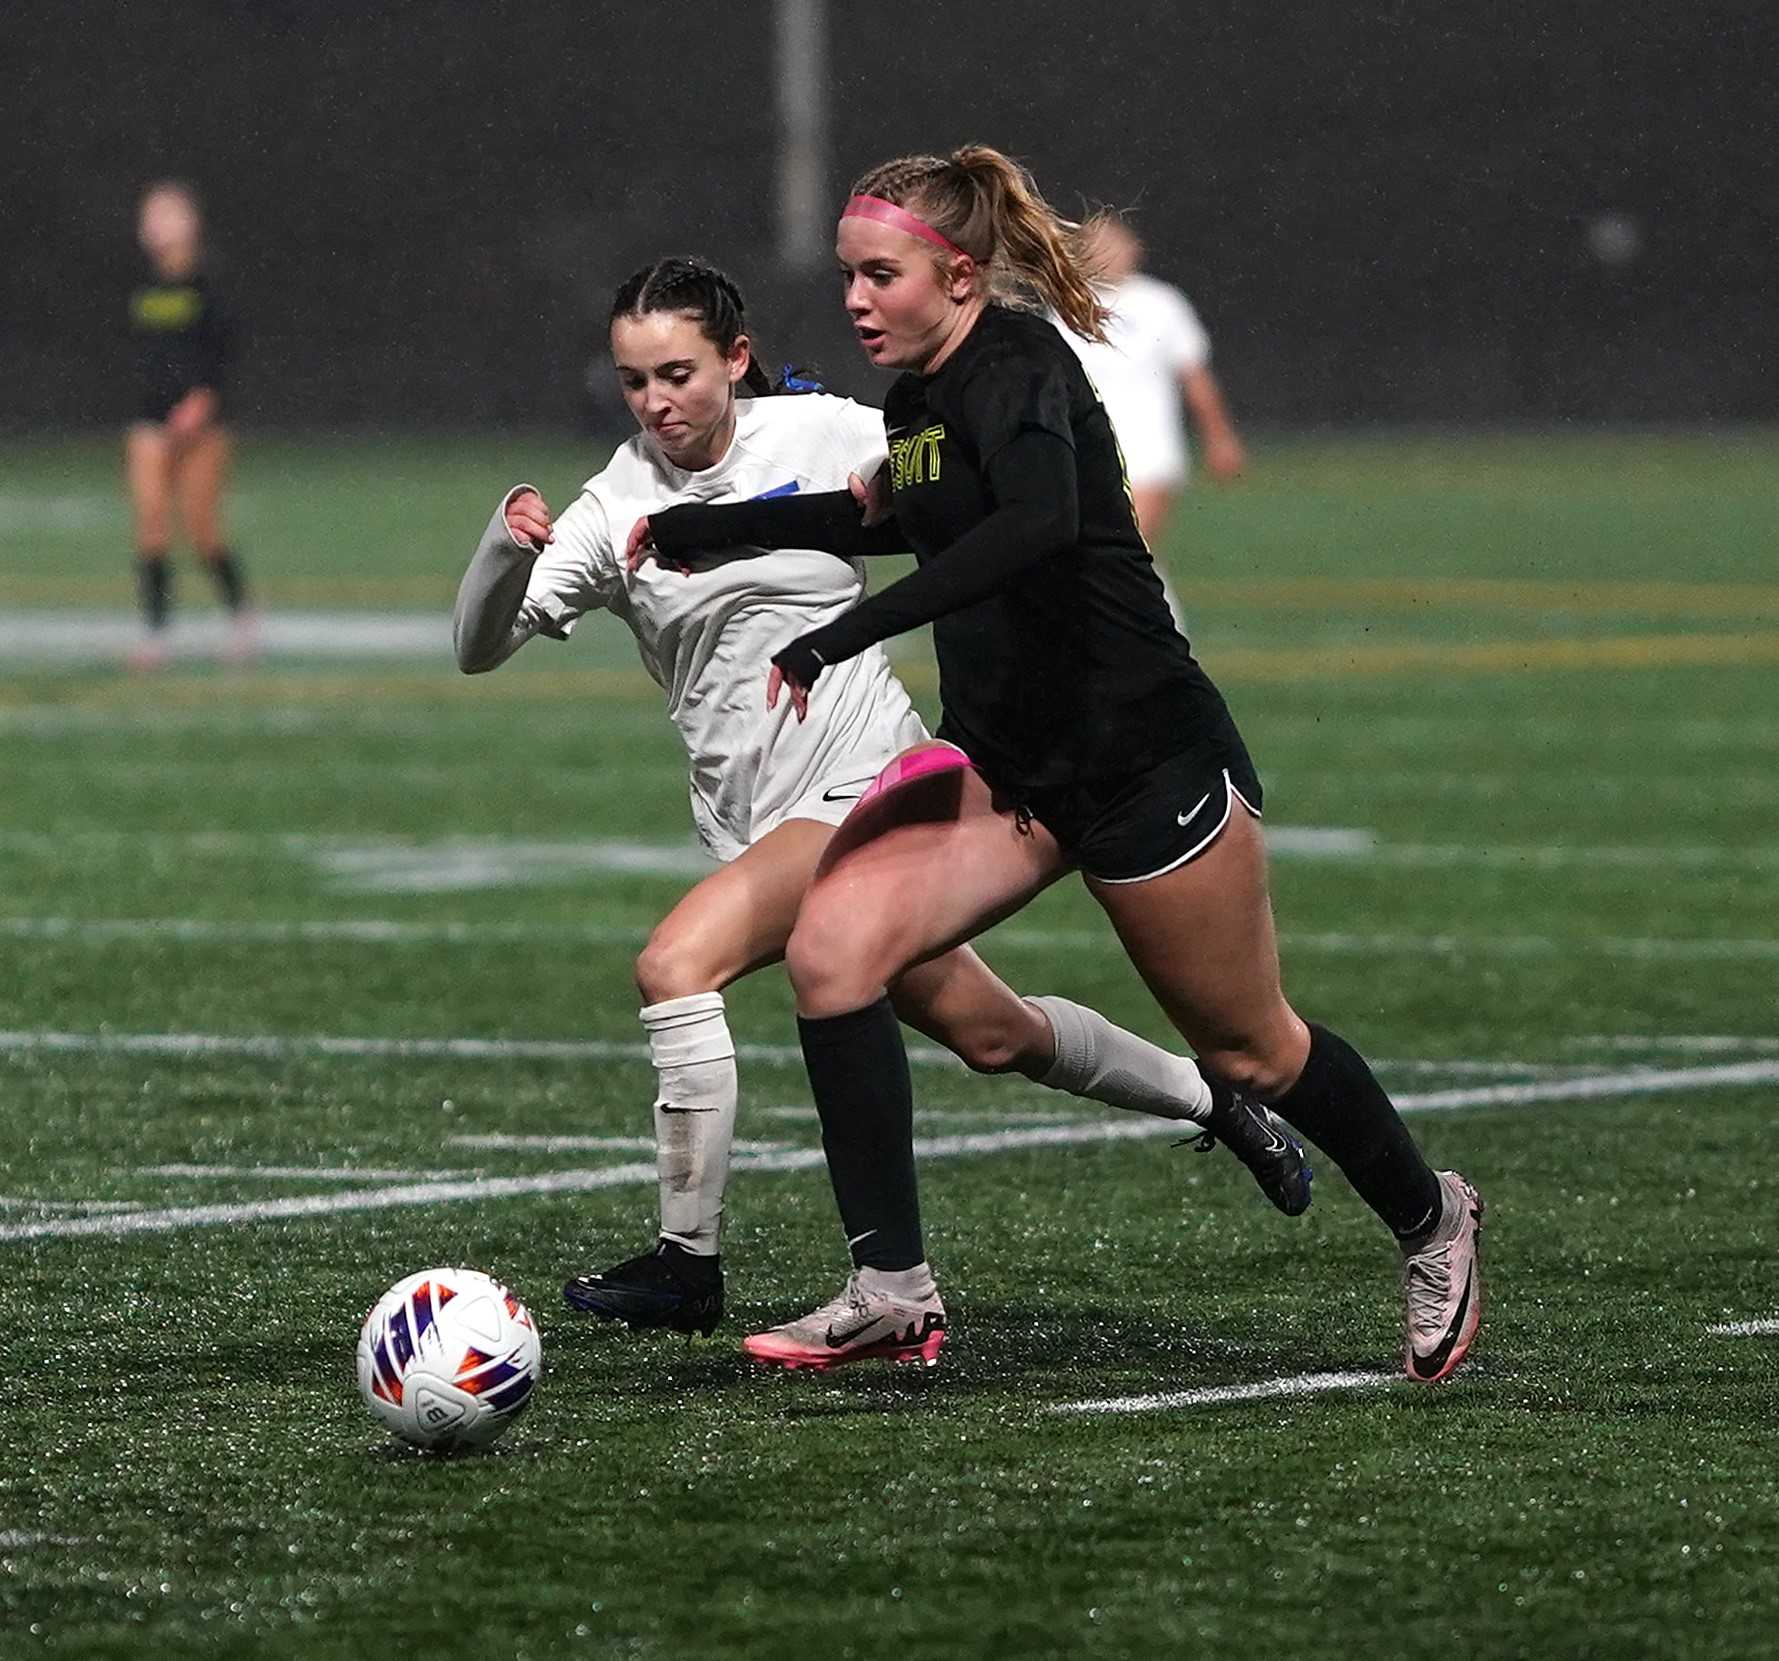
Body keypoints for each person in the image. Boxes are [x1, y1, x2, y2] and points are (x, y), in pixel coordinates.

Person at [632, 149, 1482, 1384]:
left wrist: (843, 631)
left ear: (959, 276)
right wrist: (710, 527)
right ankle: (891, 1290)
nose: (856, 298)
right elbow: (884, 518)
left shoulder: (1019, 363)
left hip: (1142, 759)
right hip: (1009, 771)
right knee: (833, 953)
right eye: (849, 276)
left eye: (881, 275)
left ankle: (1431, 1215)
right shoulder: (921, 400)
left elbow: (1034, 526)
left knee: (1252, 1052)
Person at [452, 255, 1311, 1348]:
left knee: (675, 964)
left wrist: (1002, 509)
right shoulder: (614, 502)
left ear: (736, 359)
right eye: (634, 381)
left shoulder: (825, 431)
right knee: (994, 1032)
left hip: (867, 780)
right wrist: (503, 546)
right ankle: (1215, 1101)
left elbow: (975, 485)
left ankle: (687, 1262)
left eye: (677, 372)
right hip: (752, 819)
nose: (656, 400)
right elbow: (477, 647)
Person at [1058, 212, 1246, 553]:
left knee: (1126, 545)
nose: (1105, 253)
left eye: (1113, 243)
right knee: (1100, 555)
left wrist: (1219, 437)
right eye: (1095, 244)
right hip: (1083, 450)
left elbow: (1194, 377)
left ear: (1134, 248)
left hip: (1149, 451)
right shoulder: (1065, 307)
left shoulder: (1162, 304)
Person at [125, 180, 253, 669]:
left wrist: (202, 400)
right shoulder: (141, 286)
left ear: (191, 222)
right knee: (152, 525)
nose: (157, 225)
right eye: (151, 216)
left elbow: (224, 351)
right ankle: (156, 633)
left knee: (203, 530)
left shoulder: (210, 283)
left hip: (203, 425)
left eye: (168, 214)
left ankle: (241, 616)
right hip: (150, 421)